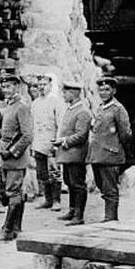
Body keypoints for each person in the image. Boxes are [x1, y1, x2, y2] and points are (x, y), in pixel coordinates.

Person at [0, 73, 32, 241]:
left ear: (17, 87)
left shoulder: (21, 107)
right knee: (16, 193)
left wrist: (13, 151)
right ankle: (16, 228)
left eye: (8, 86)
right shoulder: (9, 106)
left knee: (12, 192)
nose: (5, 90)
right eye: (4, 87)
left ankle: (7, 230)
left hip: (15, 157)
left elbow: (27, 135)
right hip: (6, 155)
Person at [89, 76, 133, 222]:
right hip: (97, 155)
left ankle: (111, 218)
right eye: (101, 89)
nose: (103, 92)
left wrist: (121, 150)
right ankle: (109, 215)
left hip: (110, 155)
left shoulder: (118, 109)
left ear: (113, 91)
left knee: (110, 189)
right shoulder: (100, 107)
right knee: (102, 186)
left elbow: (126, 134)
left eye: (107, 89)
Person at [53, 79, 92, 224]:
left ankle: (79, 215)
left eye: (65, 92)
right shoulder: (71, 109)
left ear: (73, 94)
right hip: (68, 154)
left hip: (76, 154)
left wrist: (63, 141)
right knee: (69, 182)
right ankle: (72, 210)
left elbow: (82, 135)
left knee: (78, 184)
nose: (63, 95)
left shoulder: (83, 111)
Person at [29, 73, 63, 209]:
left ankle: (56, 201)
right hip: (38, 142)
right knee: (42, 173)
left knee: (54, 171)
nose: (42, 87)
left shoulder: (56, 102)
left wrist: (57, 142)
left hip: (51, 142)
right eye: (39, 85)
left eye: (44, 85)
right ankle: (47, 199)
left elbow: (60, 123)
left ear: (50, 85)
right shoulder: (35, 103)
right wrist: (32, 144)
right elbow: (32, 126)